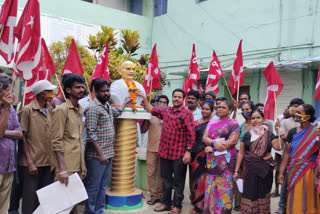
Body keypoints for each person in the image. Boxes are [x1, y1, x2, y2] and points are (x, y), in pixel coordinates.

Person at [139, 88, 195, 214]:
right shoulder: (166, 111)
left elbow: (191, 134)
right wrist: (143, 97)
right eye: (175, 96)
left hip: (179, 154)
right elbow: (151, 109)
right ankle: (166, 203)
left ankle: (177, 206)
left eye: (179, 97)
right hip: (165, 153)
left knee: (178, 182)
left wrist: (188, 152)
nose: (176, 99)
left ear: (183, 99)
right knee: (166, 180)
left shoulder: (187, 114)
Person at [85, 78, 131, 214]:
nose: (106, 94)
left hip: (108, 153)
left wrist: (124, 103)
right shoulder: (93, 108)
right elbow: (90, 134)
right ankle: (90, 211)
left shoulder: (107, 107)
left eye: (107, 91)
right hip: (97, 156)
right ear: (96, 92)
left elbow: (116, 113)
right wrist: (100, 154)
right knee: (94, 186)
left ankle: (99, 210)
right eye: (102, 91)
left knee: (103, 185)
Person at [233, 110, 283, 213]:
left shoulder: (269, 135)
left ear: (263, 119)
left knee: (262, 193)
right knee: (249, 193)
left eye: (258, 118)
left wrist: (277, 130)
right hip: (249, 171)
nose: (255, 120)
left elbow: (278, 147)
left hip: (264, 172)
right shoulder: (247, 135)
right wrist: (236, 171)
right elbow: (241, 153)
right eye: (253, 118)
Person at [18, 80, 56, 214]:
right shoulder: (27, 110)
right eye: (49, 91)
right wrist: (29, 161)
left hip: (48, 162)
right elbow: (23, 137)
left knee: (44, 198)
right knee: (30, 199)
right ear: (41, 94)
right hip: (32, 162)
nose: (52, 94)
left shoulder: (51, 110)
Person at [278, 104, 320, 214]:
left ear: (308, 116)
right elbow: (287, 153)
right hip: (293, 170)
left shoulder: (316, 131)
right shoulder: (292, 132)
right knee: (293, 197)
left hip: (309, 171)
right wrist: (281, 172)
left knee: (308, 198)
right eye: (296, 112)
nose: (296, 115)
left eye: (299, 113)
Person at [202, 100, 240, 214]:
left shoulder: (233, 123)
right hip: (212, 161)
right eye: (218, 107)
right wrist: (213, 143)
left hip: (226, 161)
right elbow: (204, 137)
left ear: (229, 110)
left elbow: (232, 141)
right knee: (211, 187)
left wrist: (213, 148)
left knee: (225, 188)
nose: (219, 109)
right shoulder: (211, 122)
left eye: (223, 107)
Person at [51, 74, 87, 186]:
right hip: (66, 165)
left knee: (74, 201)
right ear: (68, 90)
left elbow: (79, 139)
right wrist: (62, 169)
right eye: (77, 87)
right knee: (62, 201)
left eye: (83, 87)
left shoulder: (80, 109)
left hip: (78, 164)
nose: (82, 90)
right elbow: (57, 140)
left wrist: (83, 165)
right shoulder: (61, 110)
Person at [275, 98, 304, 214]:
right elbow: (282, 136)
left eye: (298, 106)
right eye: (293, 106)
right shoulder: (285, 122)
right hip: (289, 157)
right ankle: (282, 207)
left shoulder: (308, 123)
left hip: (303, 158)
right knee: (285, 183)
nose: (295, 108)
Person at [141, 95, 169, 205]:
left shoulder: (170, 116)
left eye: (164, 102)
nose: (162, 103)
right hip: (151, 148)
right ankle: (153, 196)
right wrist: (145, 120)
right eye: (160, 101)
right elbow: (143, 131)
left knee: (162, 174)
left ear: (167, 104)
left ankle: (161, 195)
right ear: (157, 103)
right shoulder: (150, 115)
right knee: (150, 173)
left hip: (165, 149)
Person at [0, 76, 22, 214]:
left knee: (3, 206)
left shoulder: (11, 109)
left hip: (8, 166)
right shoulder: (8, 108)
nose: (12, 95)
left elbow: (19, 133)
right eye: (9, 91)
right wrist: (6, 109)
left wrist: (4, 133)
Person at [190, 101, 214, 214]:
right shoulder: (195, 123)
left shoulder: (214, 124)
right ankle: (197, 206)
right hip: (196, 156)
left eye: (207, 109)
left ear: (212, 111)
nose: (205, 111)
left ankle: (206, 206)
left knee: (207, 181)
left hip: (209, 156)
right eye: (203, 109)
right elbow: (191, 139)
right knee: (196, 181)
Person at [232, 101, 255, 211]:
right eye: (244, 110)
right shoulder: (241, 124)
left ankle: (249, 203)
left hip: (252, 159)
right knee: (238, 180)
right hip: (240, 156)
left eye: (248, 110)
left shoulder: (257, 125)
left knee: (250, 181)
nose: (245, 112)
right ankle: (238, 204)